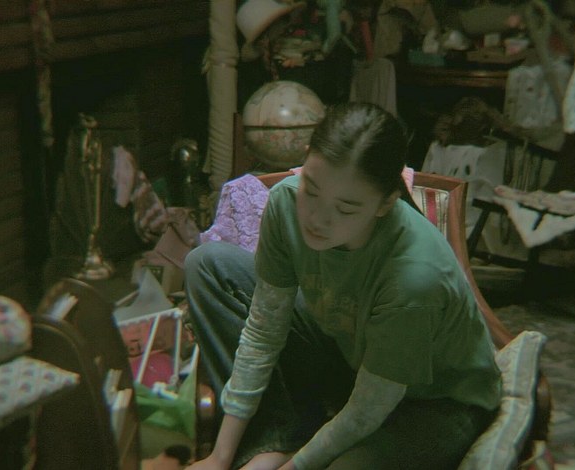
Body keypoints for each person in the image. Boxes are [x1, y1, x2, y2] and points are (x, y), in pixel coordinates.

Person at [184, 102, 501, 470]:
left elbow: (368, 409)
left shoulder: (415, 277)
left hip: (436, 402)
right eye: (311, 189)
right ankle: (278, 438)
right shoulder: (286, 202)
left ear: (385, 203)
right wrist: (219, 457)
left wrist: (295, 468)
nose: (317, 218)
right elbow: (264, 330)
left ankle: (293, 451)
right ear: (305, 161)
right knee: (208, 264)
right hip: (351, 357)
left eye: (346, 209)